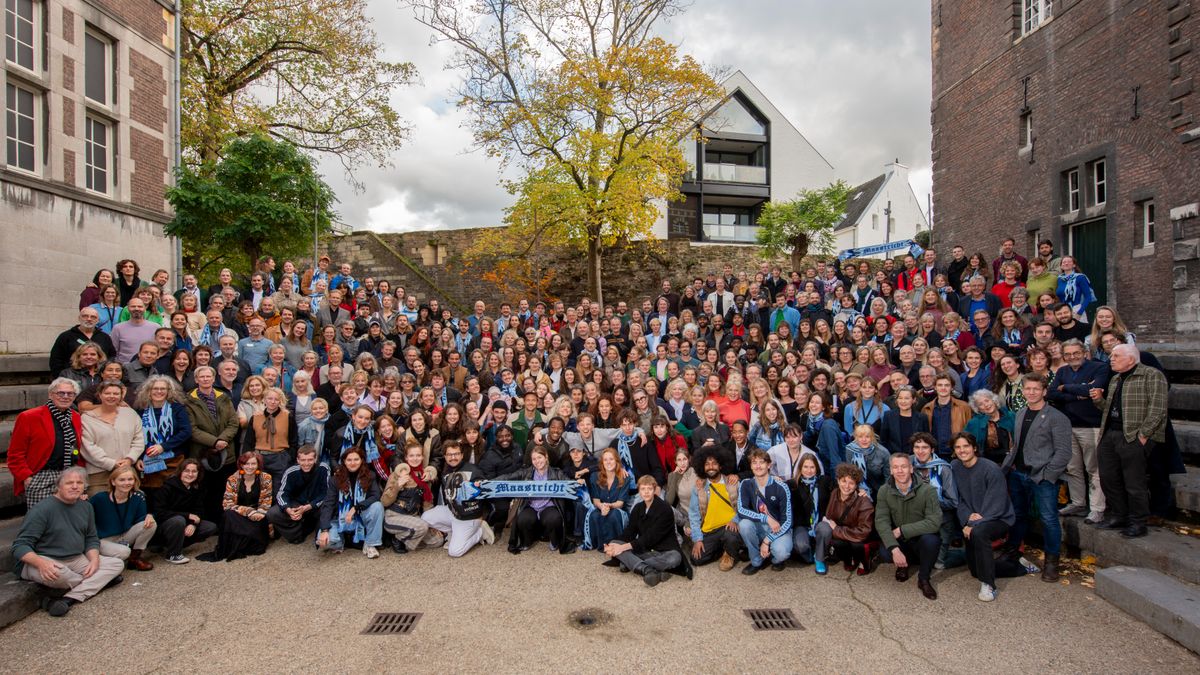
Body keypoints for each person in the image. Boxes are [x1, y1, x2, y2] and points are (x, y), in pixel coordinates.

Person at [12, 467, 126, 617]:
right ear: (58, 486)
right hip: (44, 559)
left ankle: (68, 599)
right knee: (61, 576)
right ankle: (98, 583)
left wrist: (94, 560)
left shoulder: (86, 507)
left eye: (79, 483)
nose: (75, 486)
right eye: (69, 483)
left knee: (116, 564)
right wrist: (41, 564)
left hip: (75, 558)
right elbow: (19, 546)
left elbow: (91, 538)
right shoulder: (42, 509)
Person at [1091, 344, 1167, 539]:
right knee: (1109, 478)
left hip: (1133, 436)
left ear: (1131, 359)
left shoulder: (1151, 375)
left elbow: (1158, 409)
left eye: (1116, 356)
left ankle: (1138, 522)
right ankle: (1118, 515)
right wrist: (1099, 400)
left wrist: (1143, 435)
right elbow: (1109, 408)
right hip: (1110, 434)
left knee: (1134, 483)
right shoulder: (1116, 378)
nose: (1111, 359)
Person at [1004, 374, 1072, 581]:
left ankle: (1052, 562)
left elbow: (1063, 452)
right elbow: (1016, 444)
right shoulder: (1021, 413)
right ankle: (1013, 551)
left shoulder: (1056, 417)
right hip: (1019, 473)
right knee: (1018, 515)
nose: (1031, 392)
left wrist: (1048, 475)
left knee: (1049, 519)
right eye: (1028, 389)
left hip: (1042, 476)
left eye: (1036, 389)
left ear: (1044, 391)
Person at [950, 433, 1026, 602]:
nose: (962, 450)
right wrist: (968, 519)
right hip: (973, 519)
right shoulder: (955, 467)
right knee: (976, 570)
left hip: (998, 517)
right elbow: (958, 499)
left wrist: (974, 524)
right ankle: (1019, 567)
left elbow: (997, 503)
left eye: (966, 446)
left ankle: (988, 585)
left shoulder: (991, 469)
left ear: (974, 448)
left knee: (979, 533)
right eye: (958, 447)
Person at [1050, 339, 1111, 524]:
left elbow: (1094, 389)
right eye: (1067, 354)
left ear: (1084, 352)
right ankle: (1078, 502)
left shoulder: (1099, 368)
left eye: (1076, 353)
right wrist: (1080, 392)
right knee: (1073, 468)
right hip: (1068, 425)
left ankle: (1097, 508)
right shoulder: (1062, 371)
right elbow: (1052, 393)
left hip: (1091, 425)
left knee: (1094, 468)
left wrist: (1066, 388)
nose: (1072, 357)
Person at [602, 475, 693, 586]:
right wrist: (613, 545)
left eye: (649, 489)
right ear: (639, 491)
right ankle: (649, 570)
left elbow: (650, 537)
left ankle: (632, 564)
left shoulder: (665, 509)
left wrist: (622, 548)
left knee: (675, 558)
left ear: (654, 490)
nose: (646, 492)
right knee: (615, 542)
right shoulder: (638, 508)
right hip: (646, 551)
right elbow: (630, 532)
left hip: (666, 551)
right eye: (643, 489)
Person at [875, 454, 942, 600]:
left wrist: (902, 530)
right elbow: (881, 521)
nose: (900, 471)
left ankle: (923, 579)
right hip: (900, 541)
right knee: (885, 553)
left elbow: (934, 522)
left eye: (904, 466)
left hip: (920, 538)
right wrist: (894, 549)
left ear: (911, 468)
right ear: (891, 470)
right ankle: (903, 565)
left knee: (932, 541)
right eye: (895, 467)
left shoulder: (927, 490)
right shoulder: (884, 491)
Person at [9, 379, 85, 506]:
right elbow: (15, 453)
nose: (65, 397)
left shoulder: (75, 416)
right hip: (41, 476)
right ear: (51, 394)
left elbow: (76, 448)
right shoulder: (29, 417)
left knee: (67, 520)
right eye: (61, 393)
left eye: (70, 394)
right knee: (41, 521)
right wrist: (26, 477)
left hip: (69, 475)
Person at [422, 440, 495, 557]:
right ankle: (453, 531)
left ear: (461, 455)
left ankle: (480, 531)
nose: (453, 457)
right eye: (449, 455)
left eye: (456, 454)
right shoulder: (446, 471)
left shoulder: (473, 470)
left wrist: (478, 486)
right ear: (445, 456)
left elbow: (485, 490)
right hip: (452, 511)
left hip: (469, 516)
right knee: (425, 517)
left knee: (455, 552)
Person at [198, 451, 274, 562]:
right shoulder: (233, 479)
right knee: (228, 514)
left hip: (258, 513)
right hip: (238, 513)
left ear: (258, 465)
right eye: (247, 464)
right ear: (241, 465)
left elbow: (266, 500)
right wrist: (249, 512)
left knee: (257, 548)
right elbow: (227, 504)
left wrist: (259, 513)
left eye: (253, 464)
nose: (250, 467)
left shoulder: (266, 478)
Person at [499, 446, 575, 554]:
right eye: (534, 459)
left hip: (548, 505)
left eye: (539, 457)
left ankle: (554, 541)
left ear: (546, 457)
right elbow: (508, 477)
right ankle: (527, 541)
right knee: (523, 519)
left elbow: (569, 483)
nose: (537, 461)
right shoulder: (526, 472)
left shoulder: (557, 473)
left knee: (554, 518)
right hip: (531, 505)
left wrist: (578, 482)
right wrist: (488, 482)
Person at [78, 380, 144, 496]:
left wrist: (129, 459)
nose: (111, 396)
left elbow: (138, 440)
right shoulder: (87, 418)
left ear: (121, 396)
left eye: (116, 393)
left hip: (126, 473)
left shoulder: (130, 414)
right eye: (107, 393)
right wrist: (111, 463)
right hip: (98, 474)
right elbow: (87, 446)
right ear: (100, 395)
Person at [317, 446, 384, 558]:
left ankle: (371, 544)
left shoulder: (370, 475)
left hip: (360, 514)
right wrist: (324, 529)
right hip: (340, 518)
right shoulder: (336, 479)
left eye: (356, 459)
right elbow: (328, 504)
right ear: (344, 461)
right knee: (325, 541)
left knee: (377, 506)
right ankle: (340, 542)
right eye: (349, 460)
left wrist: (356, 508)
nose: (352, 463)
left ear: (362, 460)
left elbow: (376, 495)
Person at [735, 449, 793, 574]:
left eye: (762, 462)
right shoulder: (746, 484)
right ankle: (757, 561)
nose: (758, 466)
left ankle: (775, 558)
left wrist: (767, 540)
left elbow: (787, 521)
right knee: (744, 524)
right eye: (754, 463)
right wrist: (765, 518)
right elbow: (741, 510)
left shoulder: (781, 486)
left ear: (769, 465)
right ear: (750, 466)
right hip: (760, 525)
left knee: (781, 552)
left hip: (779, 528)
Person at [89, 465, 157, 570]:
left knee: (151, 524)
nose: (126, 483)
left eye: (130, 479)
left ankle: (135, 559)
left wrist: (150, 515)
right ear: (113, 482)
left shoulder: (138, 496)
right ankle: (104, 559)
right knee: (124, 552)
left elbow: (140, 518)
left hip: (125, 536)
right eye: (122, 480)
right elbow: (85, 516)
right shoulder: (99, 498)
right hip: (104, 539)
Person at [813, 463, 876, 576]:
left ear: (857, 485)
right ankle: (824, 559)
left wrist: (836, 529)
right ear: (838, 481)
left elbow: (863, 532)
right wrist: (835, 529)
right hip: (842, 534)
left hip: (857, 538)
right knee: (825, 530)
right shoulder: (834, 493)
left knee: (856, 545)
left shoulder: (864, 502)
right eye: (843, 481)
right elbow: (829, 517)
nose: (847, 486)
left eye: (851, 483)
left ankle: (864, 559)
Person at [151, 458, 218, 564]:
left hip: (184, 522)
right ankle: (173, 554)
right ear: (180, 471)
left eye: (194, 471)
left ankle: (174, 545)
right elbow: (159, 512)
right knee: (178, 520)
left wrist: (193, 524)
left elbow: (199, 510)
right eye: (186, 471)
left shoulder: (197, 487)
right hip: (165, 524)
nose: (190, 474)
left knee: (210, 527)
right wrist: (187, 516)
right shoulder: (167, 486)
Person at [687, 446, 743, 570]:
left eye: (714, 463)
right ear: (702, 467)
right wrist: (697, 539)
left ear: (721, 465)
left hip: (730, 526)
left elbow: (743, 506)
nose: (711, 467)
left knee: (730, 536)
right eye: (707, 464)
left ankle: (729, 553)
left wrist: (735, 520)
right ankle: (724, 548)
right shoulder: (699, 487)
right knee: (696, 559)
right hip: (710, 531)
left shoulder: (733, 483)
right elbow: (694, 514)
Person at [381, 441, 440, 554]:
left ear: (422, 457)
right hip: (394, 517)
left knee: (437, 541)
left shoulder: (424, 475)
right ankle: (397, 539)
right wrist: (397, 486)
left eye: (418, 455)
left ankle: (405, 540)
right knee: (422, 526)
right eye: (411, 456)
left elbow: (427, 503)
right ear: (406, 458)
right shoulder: (397, 474)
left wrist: (432, 524)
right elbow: (384, 501)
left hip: (413, 517)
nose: (415, 458)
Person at [266, 445, 329, 544]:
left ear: (315, 459)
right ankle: (297, 533)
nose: (306, 463)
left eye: (310, 460)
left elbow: (326, 493)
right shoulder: (291, 472)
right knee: (272, 513)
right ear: (298, 460)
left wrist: (309, 506)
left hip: (316, 504)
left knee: (328, 508)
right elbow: (282, 494)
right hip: (297, 503)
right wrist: (288, 509)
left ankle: (317, 530)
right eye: (303, 460)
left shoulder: (323, 468)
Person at [587, 447, 631, 549]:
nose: (608, 462)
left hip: (617, 508)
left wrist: (609, 505)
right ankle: (601, 545)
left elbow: (620, 503)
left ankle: (615, 545)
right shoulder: (595, 476)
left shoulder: (625, 477)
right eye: (605, 460)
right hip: (601, 507)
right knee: (594, 515)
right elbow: (596, 500)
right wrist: (602, 506)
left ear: (616, 461)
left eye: (611, 459)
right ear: (602, 462)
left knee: (613, 514)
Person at [49, 308, 115, 376]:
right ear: (79, 318)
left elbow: (111, 358)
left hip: (98, 379)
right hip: (72, 379)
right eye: (85, 316)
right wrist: (62, 378)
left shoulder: (105, 337)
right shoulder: (66, 337)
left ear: (97, 320)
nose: (89, 319)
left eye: (93, 317)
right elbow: (56, 360)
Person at [922, 374, 972, 460]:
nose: (943, 388)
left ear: (952, 388)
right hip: (935, 454)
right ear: (935, 387)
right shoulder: (927, 408)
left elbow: (970, 431)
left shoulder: (964, 407)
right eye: (940, 385)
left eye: (947, 385)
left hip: (958, 453)